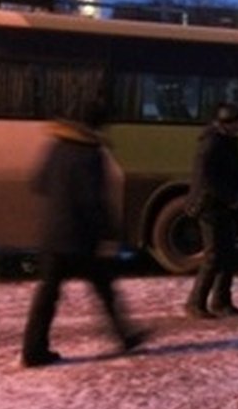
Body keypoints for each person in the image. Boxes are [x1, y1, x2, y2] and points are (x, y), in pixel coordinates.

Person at [21, 100, 148, 367]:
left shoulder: (57, 145)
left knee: (47, 295)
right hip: (80, 237)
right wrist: (111, 231)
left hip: (52, 234)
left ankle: (32, 351)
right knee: (104, 289)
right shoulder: (92, 154)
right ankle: (126, 337)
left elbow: (38, 183)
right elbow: (94, 200)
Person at [184, 101, 238, 319]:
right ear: (230, 122)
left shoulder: (227, 141)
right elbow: (207, 179)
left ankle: (221, 301)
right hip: (210, 207)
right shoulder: (212, 143)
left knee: (228, 255)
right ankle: (195, 302)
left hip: (222, 206)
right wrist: (231, 198)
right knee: (213, 256)